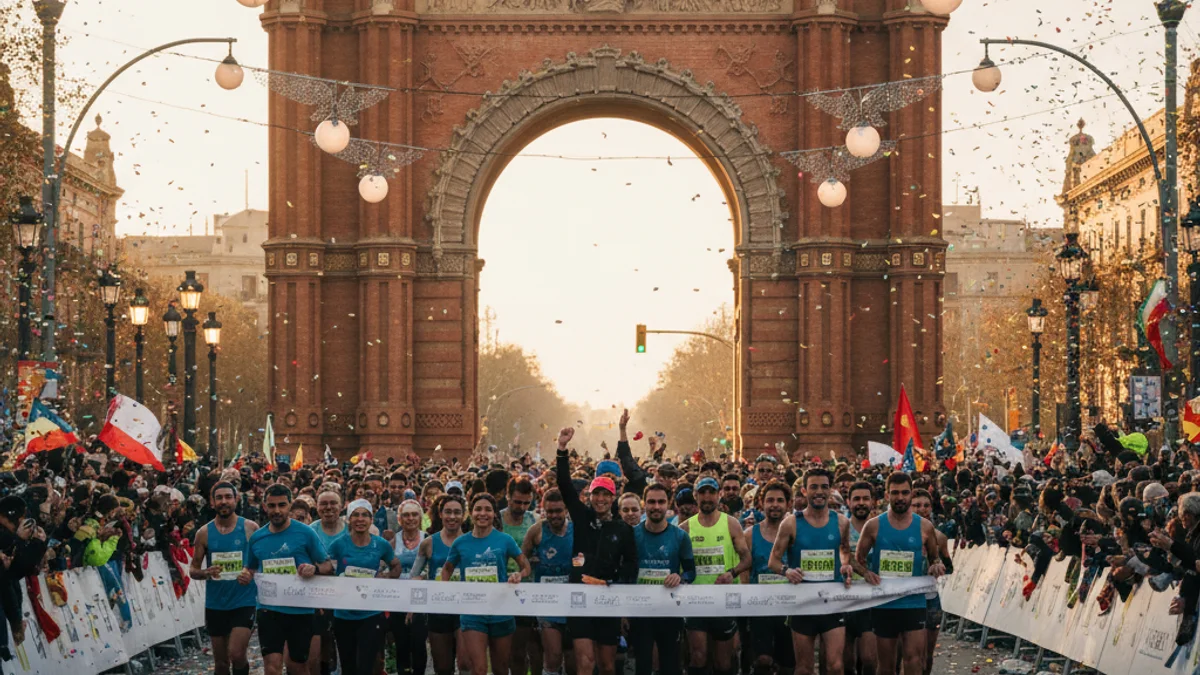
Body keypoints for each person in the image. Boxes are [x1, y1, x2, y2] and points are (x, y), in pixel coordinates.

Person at [555, 416, 638, 675]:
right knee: (585, 663)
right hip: (580, 596)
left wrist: (614, 583)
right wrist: (561, 449)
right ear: (589, 496)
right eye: (596, 494)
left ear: (613, 498)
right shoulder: (582, 517)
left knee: (607, 666)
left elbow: (632, 564)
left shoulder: (623, 529)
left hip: (608, 598)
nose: (600, 499)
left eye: (606, 495)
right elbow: (564, 485)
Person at [854, 473, 945, 675]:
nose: (900, 497)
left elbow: (934, 558)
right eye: (895, 493)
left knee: (914, 661)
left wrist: (936, 566)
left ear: (911, 494)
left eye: (905, 493)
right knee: (886, 666)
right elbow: (857, 560)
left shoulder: (924, 527)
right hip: (885, 603)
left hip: (914, 602)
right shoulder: (874, 525)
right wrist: (866, 573)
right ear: (887, 495)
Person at [238, 484, 334, 675]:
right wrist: (246, 574)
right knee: (272, 667)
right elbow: (251, 567)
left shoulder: (305, 533)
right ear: (264, 506)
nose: (277, 510)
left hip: (300, 610)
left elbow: (328, 565)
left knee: (297, 667)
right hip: (269, 609)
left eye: (282, 505)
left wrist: (314, 569)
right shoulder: (257, 538)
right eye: (272, 505)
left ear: (290, 505)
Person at [768, 467, 853, 675]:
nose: (819, 492)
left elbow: (844, 551)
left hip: (832, 602)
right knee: (804, 668)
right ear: (804, 491)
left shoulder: (841, 522)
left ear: (830, 490)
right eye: (814, 487)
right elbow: (773, 561)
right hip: (803, 604)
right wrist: (787, 571)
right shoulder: (791, 523)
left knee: (835, 666)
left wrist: (845, 565)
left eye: (824, 487)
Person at [442, 493, 531, 675]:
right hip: (472, 612)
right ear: (471, 513)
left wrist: (518, 574)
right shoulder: (460, 543)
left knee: (501, 669)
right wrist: (449, 593)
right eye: (478, 509)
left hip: (501, 610)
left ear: (494, 514)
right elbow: (446, 570)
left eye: (488, 510)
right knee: (479, 669)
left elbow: (526, 567)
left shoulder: (505, 540)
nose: (483, 513)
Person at [679, 475, 751, 675]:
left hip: (723, 600)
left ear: (719, 495)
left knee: (723, 663)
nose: (707, 497)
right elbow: (677, 565)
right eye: (702, 493)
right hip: (696, 601)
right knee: (698, 657)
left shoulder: (731, 524)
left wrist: (732, 573)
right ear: (696, 496)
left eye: (711, 492)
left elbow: (747, 559)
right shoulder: (685, 528)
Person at [327, 499, 402, 675]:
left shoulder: (381, 544)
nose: (360, 519)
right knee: (348, 667)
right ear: (349, 519)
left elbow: (396, 566)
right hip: (344, 614)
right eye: (356, 515)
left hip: (371, 613)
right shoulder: (338, 544)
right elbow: (327, 568)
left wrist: (386, 576)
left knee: (366, 666)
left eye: (365, 515)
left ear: (371, 520)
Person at [191, 482, 259, 675]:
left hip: (243, 601)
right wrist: (206, 572)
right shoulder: (203, 533)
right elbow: (193, 570)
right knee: (221, 664)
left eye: (228, 497)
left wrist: (250, 573)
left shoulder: (250, 528)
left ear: (236, 499)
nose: (224, 501)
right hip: (216, 604)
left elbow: (262, 561)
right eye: (219, 498)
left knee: (236, 654)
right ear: (212, 502)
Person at [630, 482, 695, 675]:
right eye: (651, 502)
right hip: (640, 612)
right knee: (643, 664)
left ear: (669, 504)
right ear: (644, 504)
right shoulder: (632, 535)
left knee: (670, 665)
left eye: (661, 502)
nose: (656, 507)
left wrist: (680, 577)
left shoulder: (680, 536)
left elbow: (691, 572)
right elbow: (624, 574)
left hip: (669, 611)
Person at [413, 494, 468, 675]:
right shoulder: (428, 543)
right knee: (443, 668)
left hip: (464, 608)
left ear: (464, 515)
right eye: (448, 512)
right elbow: (414, 575)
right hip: (438, 608)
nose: (452, 516)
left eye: (457, 512)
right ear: (441, 514)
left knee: (465, 663)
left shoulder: (471, 542)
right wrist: (421, 580)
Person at [522, 488, 575, 675]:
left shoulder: (576, 530)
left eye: (558, 511)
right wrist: (530, 562)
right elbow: (522, 558)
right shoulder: (537, 530)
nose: (554, 516)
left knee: (573, 662)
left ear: (566, 509)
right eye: (549, 511)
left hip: (573, 602)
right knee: (553, 657)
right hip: (547, 603)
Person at [747, 481, 793, 675]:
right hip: (760, 608)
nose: (775, 505)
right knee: (762, 661)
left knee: (788, 666)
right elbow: (744, 572)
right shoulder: (750, 535)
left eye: (780, 500)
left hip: (789, 607)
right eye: (770, 500)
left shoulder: (796, 534)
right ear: (761, 503)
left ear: (788, 504)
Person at [500, 477, 542, 675]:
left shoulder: (534, 520)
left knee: (526, 647)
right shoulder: (496, 519)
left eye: (527, 503)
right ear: (507, 497)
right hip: (501, 588)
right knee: (505, 650)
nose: (522, 507)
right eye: (517, 502)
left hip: (527, 588)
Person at [911, 489, 952, 675]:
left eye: (926, 505)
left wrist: (939, 565)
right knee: (908, 653)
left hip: (930, 599)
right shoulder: (898, 535)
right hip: (906, 598)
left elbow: (950, 567)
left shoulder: (940, 537)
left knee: (926, 654)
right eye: (917, 505)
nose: (922, 509)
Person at [844, 481, 878, 675]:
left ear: (873, 502)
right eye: (856, 499)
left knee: (869, 661)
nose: (861, 503)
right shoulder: (841, 528)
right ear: (848, 502)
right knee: (846, 664)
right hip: (843, 600)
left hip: (871, 602)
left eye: (865, 498)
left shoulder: (881, 528)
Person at [310, 489, 345, 675]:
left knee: (344, 642)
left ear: (341, 506)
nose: (328, 507)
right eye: (323, 503)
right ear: (317, 507)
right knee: (321, 644)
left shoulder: (351, 529)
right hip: (318, 595)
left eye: (333, 503)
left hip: (347, 595)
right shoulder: (311, 531)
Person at [392, 499, 429, 675]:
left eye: (414, 514)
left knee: (419, 641)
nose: (410, 518)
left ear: (420, 517)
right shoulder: (393, 541)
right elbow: (385, 566)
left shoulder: (428, 539)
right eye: (406, 515)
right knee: (401, 642)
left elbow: (433, 567)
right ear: (400, 519)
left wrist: (423, 576)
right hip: (398, 598)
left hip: (420, 598)